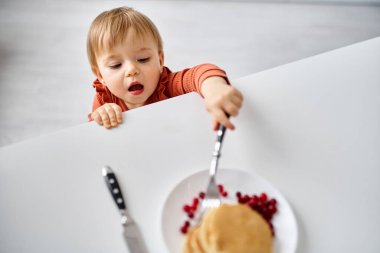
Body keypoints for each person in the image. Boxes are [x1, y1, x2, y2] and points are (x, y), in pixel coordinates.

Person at [87, 7, 243, 130]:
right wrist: (100, 117)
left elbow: (198, 73)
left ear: (160, 60)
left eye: (143, 59)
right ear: (100, 75)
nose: (131, 70)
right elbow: (91, 140)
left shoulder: (168, 86)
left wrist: (214, 89)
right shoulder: (104, 100)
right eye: (116, 65)